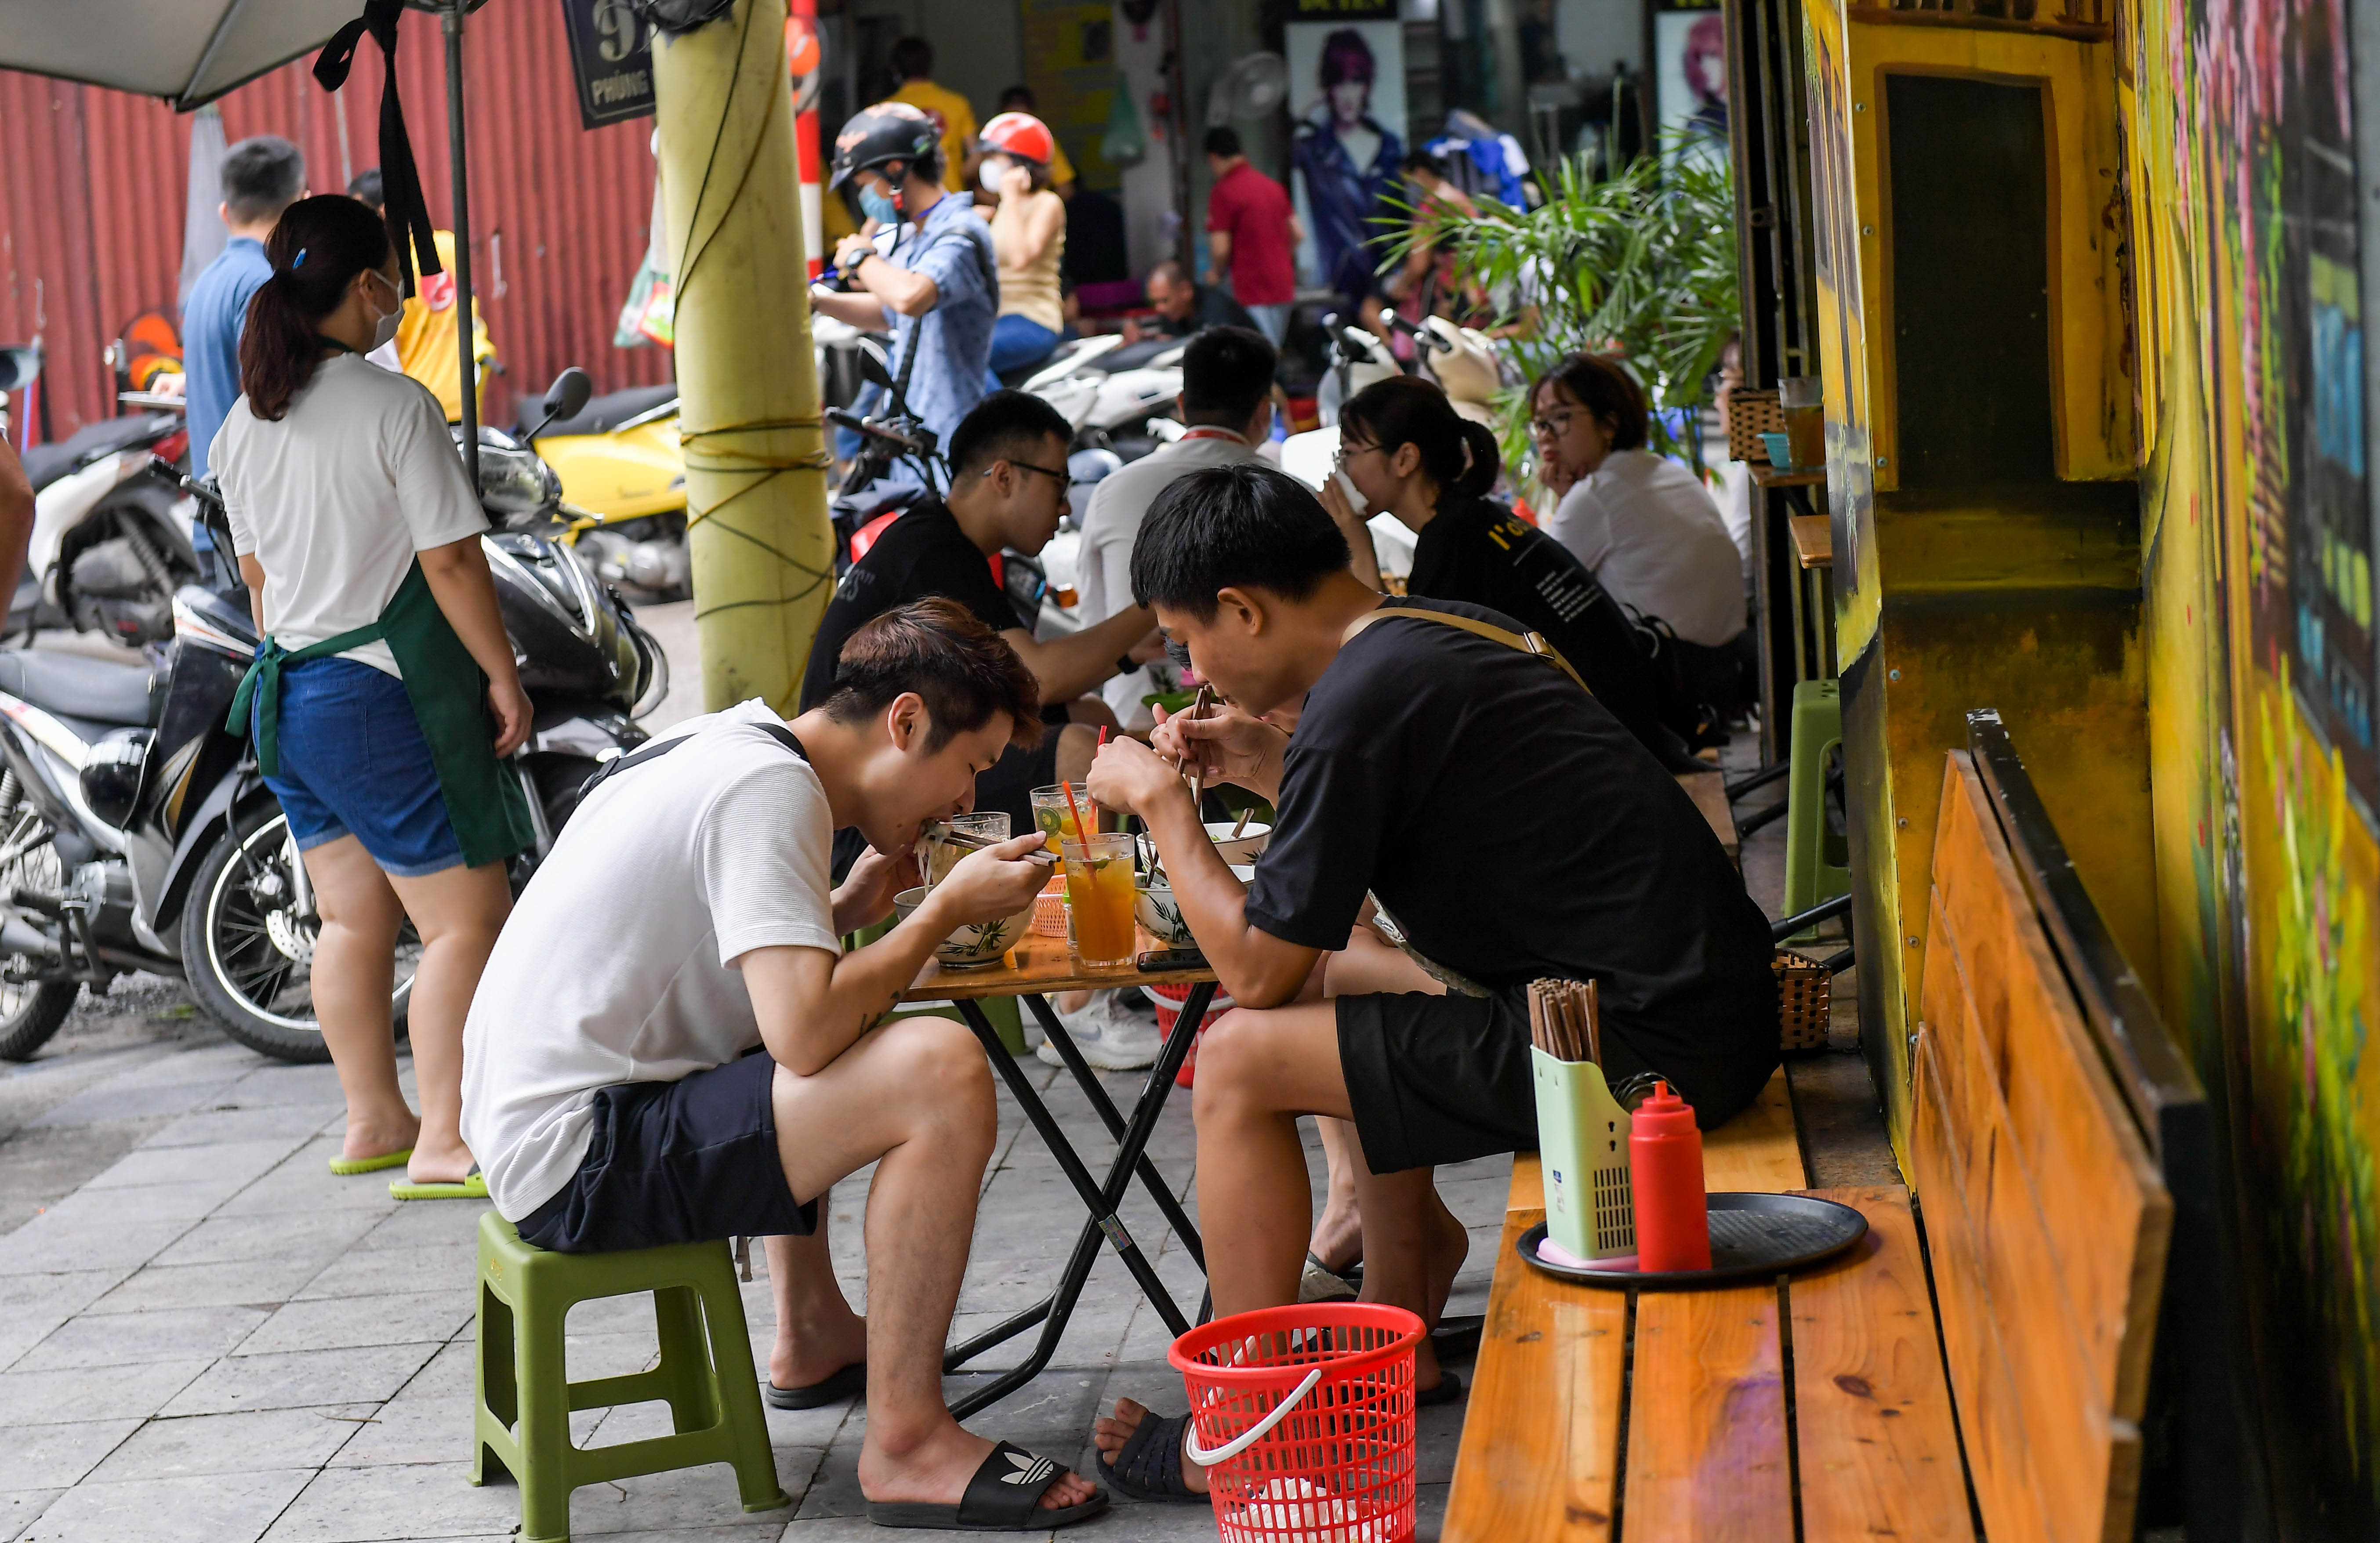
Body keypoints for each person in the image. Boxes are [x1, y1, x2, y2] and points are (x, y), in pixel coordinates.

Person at [1077, 463, 1780, 1500]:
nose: (1192, 667)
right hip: (1678, 1011)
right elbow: (1379, 836)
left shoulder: (1361, 700)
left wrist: (1163, 804)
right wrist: (1272, 767)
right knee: (1343, 993)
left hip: (1641, 1054)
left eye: (1192, 637)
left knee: (1234, 1059)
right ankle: (1399, 1317)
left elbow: (1259, 970)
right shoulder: (1417, 635)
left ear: (1244, 608)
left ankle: (1235, 1426)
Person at [459, 600, 1109, 1531]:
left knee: (848, 1021)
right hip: (576, 1157)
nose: (964, 804)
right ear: (907, 722)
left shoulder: (734, 742)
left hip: (544, 1120)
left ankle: (810, 1335)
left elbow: (732, 962)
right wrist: (937, 914)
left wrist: (844, 909)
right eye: (968, 769)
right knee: (937, 1065)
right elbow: (804, 1032)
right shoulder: (770, 792)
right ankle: (909, 1443)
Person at [213, 196, 529, 1200]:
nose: (397, 294)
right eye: (390, 275)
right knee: (464, 921)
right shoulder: (396, 406)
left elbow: (259, 585)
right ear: (364, 286)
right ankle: (444, 1136)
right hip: (379, 692)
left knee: (352, 921)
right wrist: (502, 673)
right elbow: (450, 561)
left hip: (291, 698)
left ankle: (374, 1117)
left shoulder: (242, 424)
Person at [797, 395, 1162, 1055]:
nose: (1064, 506)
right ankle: (1079, 1005)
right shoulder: (934, 552)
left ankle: (1090, 949)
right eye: (1058, 481)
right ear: (1004, 476)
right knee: (1084, 751)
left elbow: (1030, 689)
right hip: (865, 819)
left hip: (879, 795)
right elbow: (1039, 678)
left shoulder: (943, 542)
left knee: (1095, 722)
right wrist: (1158, 603)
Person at [1324, 376, 1706, 767]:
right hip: (1631, 728)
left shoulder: (1453, 549)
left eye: (1349, 452)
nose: (1340, 470)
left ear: (1405, 459)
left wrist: (1359, 549)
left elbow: (1392, 673)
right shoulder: (1475, 521)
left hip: (1606, 751)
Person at [1078, 326, 1277, 731]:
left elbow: (1092, 625)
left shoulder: (1115, 488)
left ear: (1183, 406)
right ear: (1265, 412)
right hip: (1262, 726)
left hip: (1135, 723)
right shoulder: (1289, 494)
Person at [1533, 353, 1752, 715]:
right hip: (1725, 665)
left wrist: (1568, 500)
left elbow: (1538, 593)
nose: (1546, 436)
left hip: (1672, 683)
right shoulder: (1663, 471)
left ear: (1609, 423)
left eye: (1561, 418)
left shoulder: (1596, 497)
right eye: (1540, 422)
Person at [817, 103, 999, 456]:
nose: (865, 197)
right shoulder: (917, 236)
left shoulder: (960, 233)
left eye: (865, 185)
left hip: (953, 439)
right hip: (917, 434)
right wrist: (819, 302)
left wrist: (860, 257)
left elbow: (910, 297)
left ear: (896, 170)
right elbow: (890, 312)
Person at [183, 135, 305, 477]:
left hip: (215, 513)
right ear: (299, 206)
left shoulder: (206, 284)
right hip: (253, 518)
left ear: (226, 211)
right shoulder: (266, 284)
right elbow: (278, 407)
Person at [347, 168, 498, 423]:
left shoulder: (388, 270)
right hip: (464, 390)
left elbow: (381, 353)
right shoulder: (448, 246)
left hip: (420, 403)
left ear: (383, 213)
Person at [1291, 28, 1404, 319]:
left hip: (1386, 282)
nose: (1348, 95)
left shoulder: (1390, 148)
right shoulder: (1312, 151)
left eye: (1356, 81)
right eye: (1339, 82)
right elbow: (1302, 220)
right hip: (1335, 287)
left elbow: (1402, 220)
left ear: (1367, 84)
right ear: (1327, 87)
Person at [977, 113, 1069, 377]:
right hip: (998, 320)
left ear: (1021, 163)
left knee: (966, 357)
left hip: (1033, 321)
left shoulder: (1047, 203)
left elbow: (1020, 260)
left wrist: (1013, 198)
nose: (988, 164)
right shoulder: (1004, 208)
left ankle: (993, 420)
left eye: (995, 157)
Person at [1201, 127, 1300, 346]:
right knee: (1272, 349)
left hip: (1253, 288)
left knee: (1259, 355)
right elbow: (1298, 234)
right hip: (1283, 285)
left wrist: (1216, 274)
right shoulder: (1273, 187)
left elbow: (1221, 249)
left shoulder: (1224, 191)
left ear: (1213, 158)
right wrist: (1281, 257)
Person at [882, 36, 979, 194]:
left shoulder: (887, 110)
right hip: (952, 197)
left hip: (910, 202)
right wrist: (956, 177)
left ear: (895, 68)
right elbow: (976, 156)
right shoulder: (957, 104)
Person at [1117, 260, 1259, 352]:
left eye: (1165, 301)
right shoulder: (1172, 314)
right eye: (1155, 303)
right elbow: (1170, 341)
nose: (1159, 309)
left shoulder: (1216, 311)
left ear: (1186, 291)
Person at [996, 85, 1078, 196]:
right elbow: (977, 188)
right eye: (1012, 120)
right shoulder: (991, 145)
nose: (1017, 128)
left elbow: (1066, 188)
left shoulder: (1044, 143)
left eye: (1023, 119)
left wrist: (1041, 207)